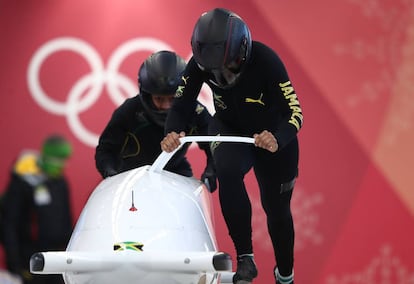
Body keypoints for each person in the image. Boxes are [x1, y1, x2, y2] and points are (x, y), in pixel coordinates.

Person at [161, 8, 303, 284]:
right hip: (231, 129)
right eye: (216, 71)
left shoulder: (266, 60)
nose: (224, 75)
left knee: (277, 210)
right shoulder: (198, 65)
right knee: (226, 168)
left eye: (230, 67)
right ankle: (245, 259)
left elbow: (295, 111)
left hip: (273, 138)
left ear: (244, 50)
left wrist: (278, 137)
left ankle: (285, 274)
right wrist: (171, 132)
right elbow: (181, 105)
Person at [95, 50, 216, 191]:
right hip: (132, 175)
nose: (166, 106)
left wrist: (211, 174)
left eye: (173, 98)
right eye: (159, 98)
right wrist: (112, 175)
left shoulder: (195, 112)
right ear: (147, 95)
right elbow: (106, 149)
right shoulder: (129, 110)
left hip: (175, 173)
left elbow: (214, 146)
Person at [1, 135, 73, 284]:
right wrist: (15, 263)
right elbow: (9, 224)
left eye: (63, 160)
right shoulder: (23, 182)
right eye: (56, 159)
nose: (60, 165)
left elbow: (66, 219)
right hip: (29, 259)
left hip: (57, 259)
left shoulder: (61, 183)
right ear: (45, 156)